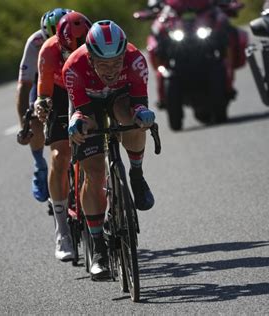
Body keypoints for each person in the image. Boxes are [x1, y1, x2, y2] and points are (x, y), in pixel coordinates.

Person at [61, 20, 156, 280]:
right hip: (87, 104)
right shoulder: (73, 67)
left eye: (116, 62)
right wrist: (76, 125)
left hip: (121, 98)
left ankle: (136, 174)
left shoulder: (136, 61)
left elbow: (138, 103)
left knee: (132, 119)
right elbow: (80, 111)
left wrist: (143, 114)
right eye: (103, 64)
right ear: (90, 56)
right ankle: (98, 246)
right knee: (93, 171)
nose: (111, 69)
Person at [34, 12, 92, 261]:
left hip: (90, 87)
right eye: (71, 53)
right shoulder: (48, 51)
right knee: (59, 155)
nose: (77, 57)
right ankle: (62, 230)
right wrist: (42, 106)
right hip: (59, 92)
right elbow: (43, 93)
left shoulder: (96, 43)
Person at [16, 8, 72, 207]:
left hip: (75, 78)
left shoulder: (82, 32)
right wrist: (25, 125)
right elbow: (24, 86)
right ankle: (40, 165)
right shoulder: (35, 43)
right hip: (45, 81)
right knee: (35, 120)